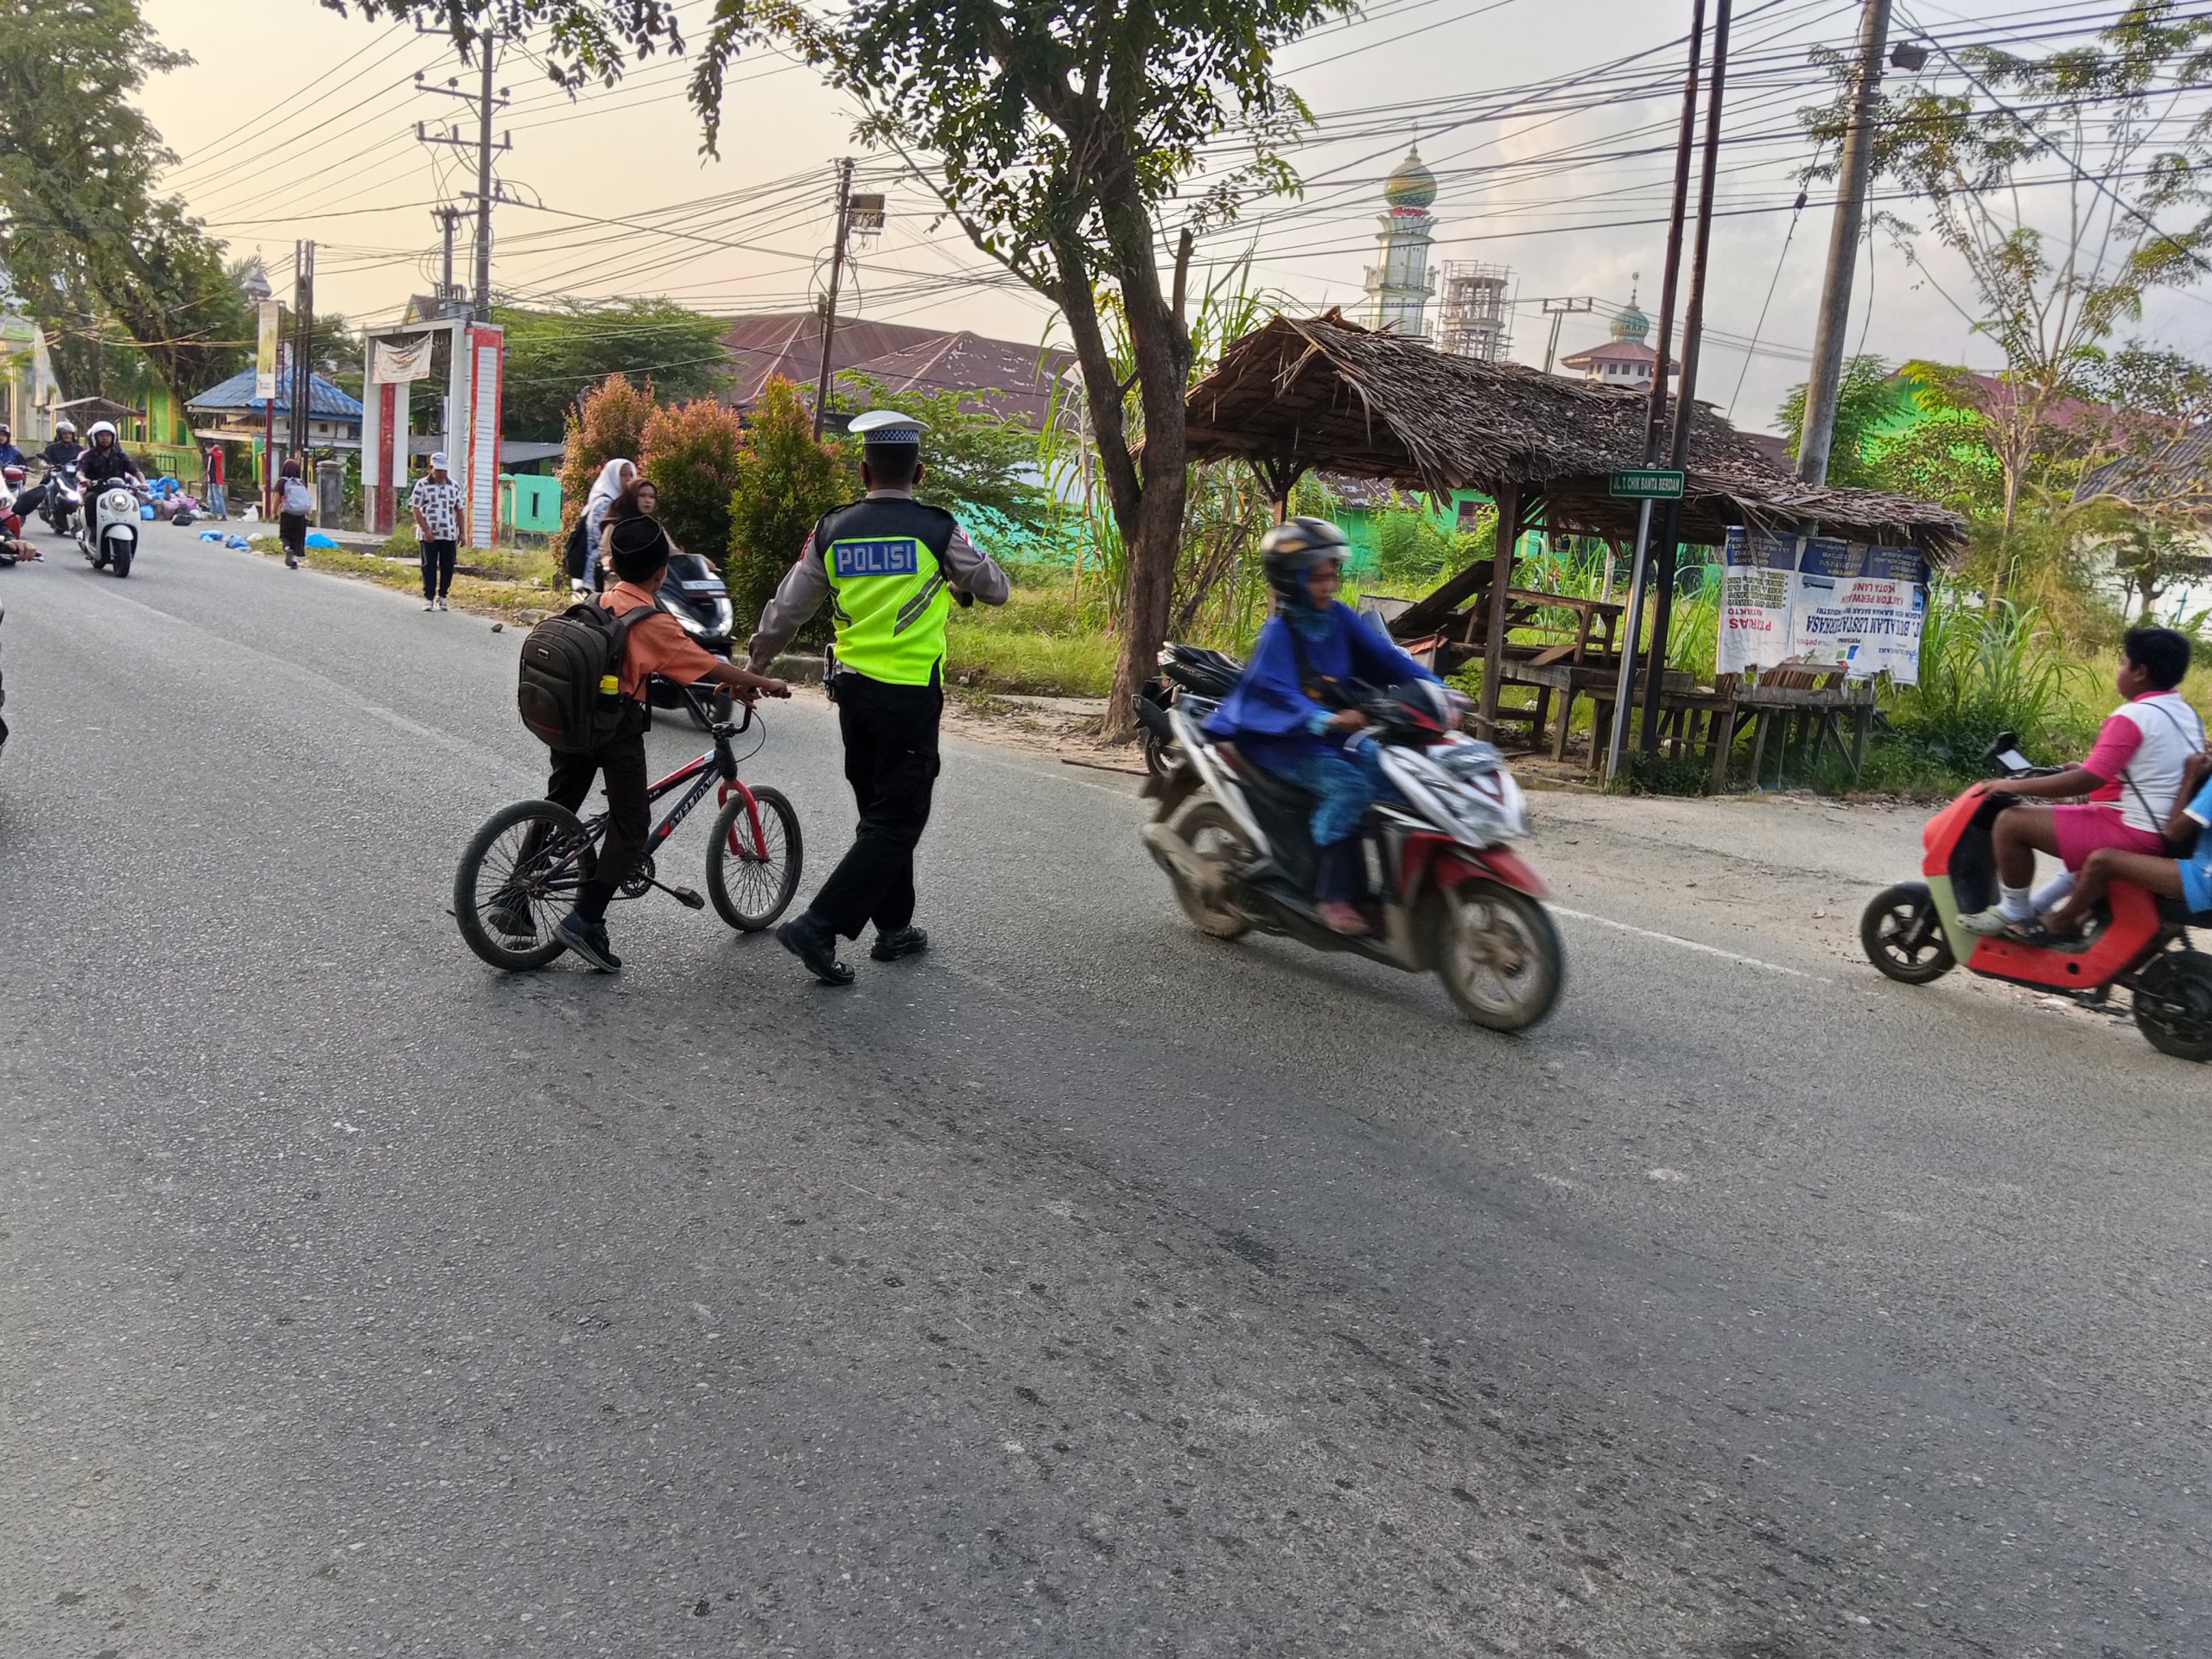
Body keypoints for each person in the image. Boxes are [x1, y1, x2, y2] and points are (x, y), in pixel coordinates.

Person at [746, 410, 1009, 985]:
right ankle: (819, 925)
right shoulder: (938, 529)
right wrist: (956, 570)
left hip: (852, 694)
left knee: (881, 812)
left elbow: (789, 606)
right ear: (918, 474)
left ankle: (894, 929)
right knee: (898, 818)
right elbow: (996, 589)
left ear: (864, 471)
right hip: (910, 695)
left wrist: (758, 660)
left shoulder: (832, 530)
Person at [517, 514, 791, 973]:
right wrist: (767, 683)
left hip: (575, 721)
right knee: (631, 824)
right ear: (662, 572)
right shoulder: (655, 622)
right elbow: (711, 668)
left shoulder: (602, 599)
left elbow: (662, 664)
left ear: (617, 565)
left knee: (562, 800)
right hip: (614, 729)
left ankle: (516, 894)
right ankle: (585, 920)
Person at [1202, 518, 1444, 935]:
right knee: (1349, 787)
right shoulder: (1279, 632)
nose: (1329, 584)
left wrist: (1440, 690)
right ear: (1292, 580)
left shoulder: (1340, 618)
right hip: (1282, 742)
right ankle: (1332, 895)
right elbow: (1278, 695)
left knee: (1390, 772)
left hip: (1334, 737)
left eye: (1333, 573)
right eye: (1318, 577)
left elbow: (1389, 659)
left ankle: (1389, 888)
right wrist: (1326, 718)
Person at [1958, 626, 2205, 937]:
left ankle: (2015, 910)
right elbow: (2144, 770)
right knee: (2072, 822)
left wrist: (2011, 785)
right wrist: (2079, 769)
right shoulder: (2186, 714)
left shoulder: (2135, 715)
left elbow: (2088, 780)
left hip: (2134, 832)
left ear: (2140, 672)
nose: (2118, 670)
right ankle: (2042, 907)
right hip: (2162, 833)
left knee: (2011, 822)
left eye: (2121, 662)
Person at [2039, 750, 2212, 938]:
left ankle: (2062, 921)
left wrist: (2189, 776)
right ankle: (2083, 921)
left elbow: (2174, 832)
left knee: (2103, 861)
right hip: (2201, 866)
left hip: (2203, 877)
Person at [410, 452, 463, 609]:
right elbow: (416, 508)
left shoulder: (453, 486)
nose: (442, 474)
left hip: (448, 533)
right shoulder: (422, 484)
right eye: (438, 470)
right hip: (429, 534)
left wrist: (463, 532)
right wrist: (426, 530)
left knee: (448, 565)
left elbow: (459, 510)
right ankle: (429, 597)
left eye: (444, 471)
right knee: (429, 566)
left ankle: (443, 595)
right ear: (431, 468)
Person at [581, 459, 636, 591]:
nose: (628, 479)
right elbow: (601, 538)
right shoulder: (604, 503)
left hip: (619, 569)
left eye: (631, 475)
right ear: (612, 476)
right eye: (623, 475)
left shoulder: (626, 503)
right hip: (600, 572)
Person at [597, 475, 659, 588]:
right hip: (619, 583)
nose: (647, 500)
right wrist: (614, 564)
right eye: (642, 495)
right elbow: (605, 553)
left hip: (651, 585)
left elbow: (671, 551)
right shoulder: (616, 525)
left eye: (652, 497)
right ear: (632, 498)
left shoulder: (653, 527)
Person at [75, 421, 142, 492]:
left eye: (108, 435)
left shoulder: (121, 455)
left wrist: (143, 483)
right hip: (95, 491)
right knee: (89, 499)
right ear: (95, 438)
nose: (105, 438)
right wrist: (83, 479)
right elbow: (80, 472)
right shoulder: (88, 456)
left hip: (119, 492)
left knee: (135, 499)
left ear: (113, 437)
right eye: (101, 435)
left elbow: (136, 470)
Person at [276, 457, 312, 569]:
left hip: (287, 513)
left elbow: (276, 498)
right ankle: (295, 560)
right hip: (300, 515)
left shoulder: (282, 482)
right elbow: (305, 499)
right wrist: (308, 513)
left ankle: (288, 548)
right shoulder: (301, 482)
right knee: (298, 537)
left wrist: (274, 511)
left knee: (285, 535)